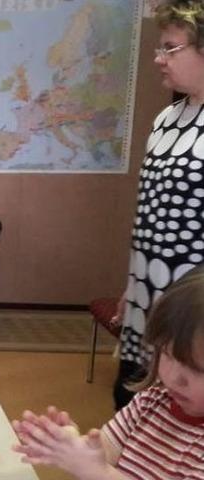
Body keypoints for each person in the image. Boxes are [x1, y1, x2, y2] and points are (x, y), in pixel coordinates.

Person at [11, 265, 204, 479]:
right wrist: (71, 445)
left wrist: (96, 472)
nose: (175, 379)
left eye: (198, 370)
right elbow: (107, 451)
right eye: (167, 354)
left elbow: (100, 470)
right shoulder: (152, 401)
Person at [113, 0, 204, 410]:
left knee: (180, 423)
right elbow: (150, 218)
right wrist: (132, 290)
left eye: (170, 48)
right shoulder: (167, 118)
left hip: (193, 314)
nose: (158, 59)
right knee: (130, 405)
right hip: (147, 297)